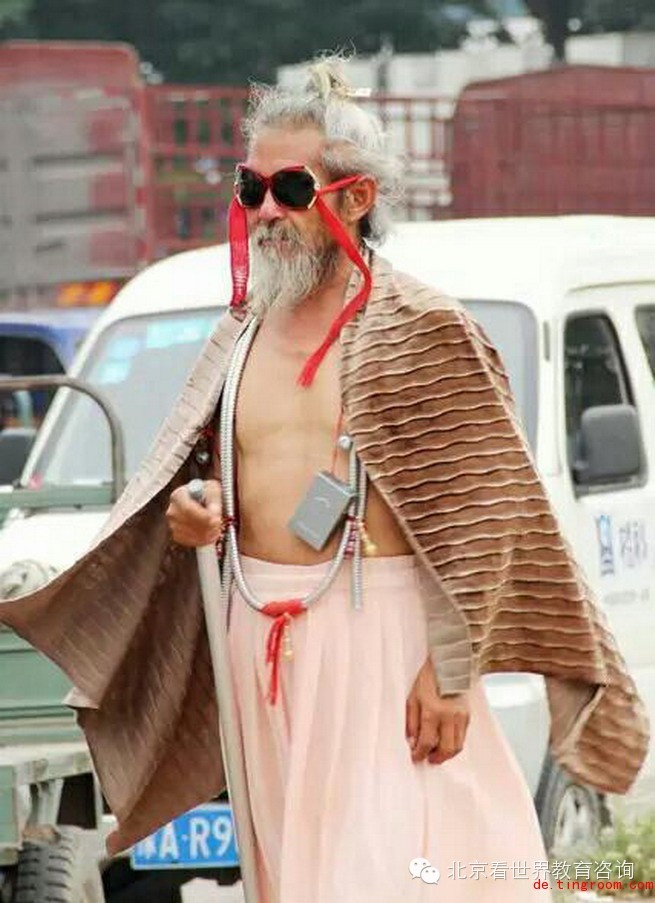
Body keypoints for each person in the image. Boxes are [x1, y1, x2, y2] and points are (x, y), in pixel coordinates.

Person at [0, 57, 647, 903]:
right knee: (296, 878)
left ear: (356, 197)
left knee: (399, 874)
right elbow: (202, 478)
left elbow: (487, 513)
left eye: (291, 188)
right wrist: (198, 513)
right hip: (256, 642)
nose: (266, 209)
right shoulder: (239, 332)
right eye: (251, 187)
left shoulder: (422, 327)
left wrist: (449, 672)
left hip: (382, 641)